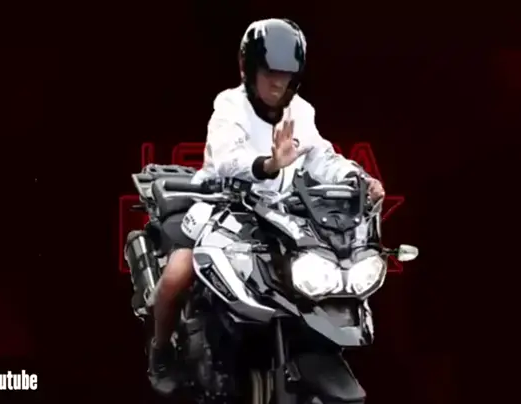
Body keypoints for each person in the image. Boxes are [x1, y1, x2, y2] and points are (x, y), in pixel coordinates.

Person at [148, 18, 385, 395]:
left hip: (278, 216)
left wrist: (357, 178)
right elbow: (226, 159)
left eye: (286, 75)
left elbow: (321, 157)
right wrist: (269, 164)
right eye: (269, 73)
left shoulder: (300, 112)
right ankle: (160, 351)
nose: (278, 83)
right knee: (178, 271)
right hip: (220, 206)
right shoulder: (229, 105)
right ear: (248, 69)